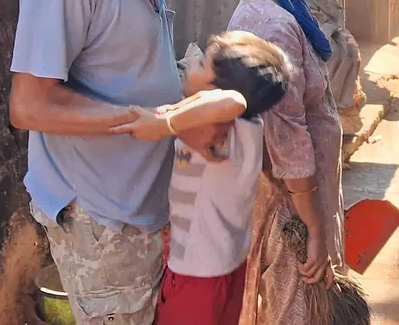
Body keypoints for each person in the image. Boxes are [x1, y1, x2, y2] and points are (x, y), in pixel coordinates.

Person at [9, 0, 221, 324]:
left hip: (142, 205)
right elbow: (29, 106)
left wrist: (184, 91)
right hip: (101, 217)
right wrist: (144, 121)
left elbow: (125, 68)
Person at [112, 31, 291, 325]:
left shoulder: (222, 129)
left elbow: (232, 101)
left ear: (215, 90)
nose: (191, 61)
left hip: (197, 277)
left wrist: (163, 124)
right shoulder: (247, 129)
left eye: (202, 64)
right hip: (228, 268)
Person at [228, 0, 346, 324]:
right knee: (293, 309)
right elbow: (286, 133)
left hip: (286, 194)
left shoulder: (267, 7)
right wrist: (313, 227)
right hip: (286, 202)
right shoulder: (274, 24)